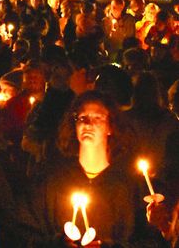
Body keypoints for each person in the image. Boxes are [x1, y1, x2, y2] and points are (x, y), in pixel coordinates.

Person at [29, 91, 160, 247]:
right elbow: (29, 236)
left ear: (110, 126)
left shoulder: (130, 185)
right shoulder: (53, 181)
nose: (88, 124)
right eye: (82, 118)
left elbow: (152, 241)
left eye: (97, 118)